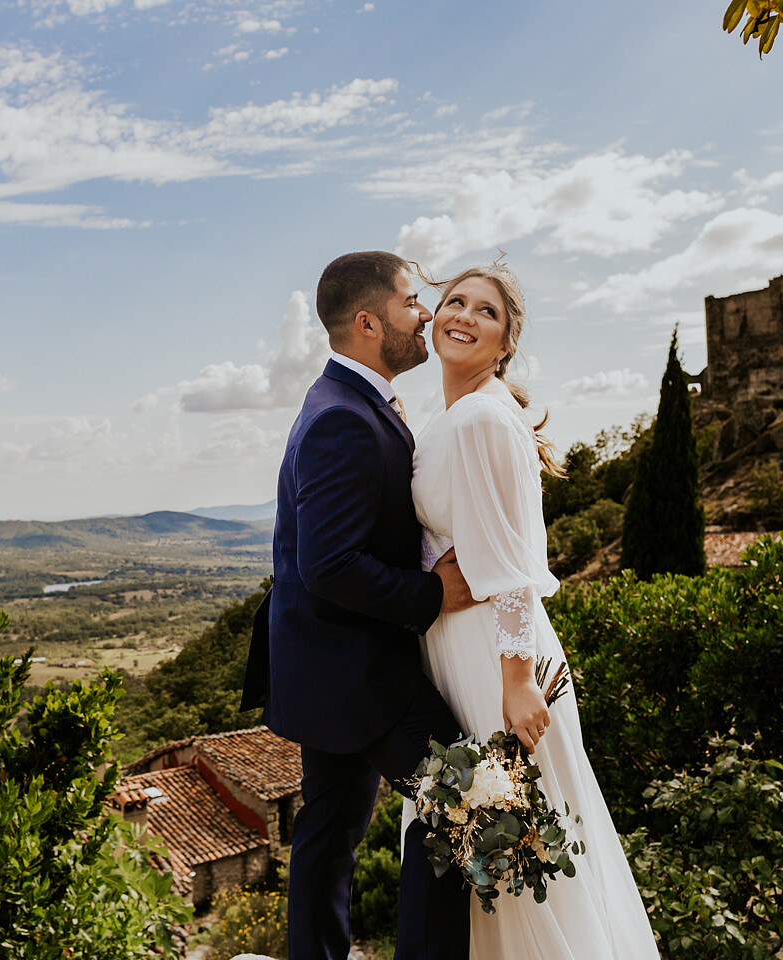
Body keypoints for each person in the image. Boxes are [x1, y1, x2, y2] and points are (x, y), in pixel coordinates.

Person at [407, 261, 660, 960]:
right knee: (489, 857)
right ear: (432, 318)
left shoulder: (485, 417)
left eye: (486, 311)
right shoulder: (451, 415)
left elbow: (514, 568)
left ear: (505, 343)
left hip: (498, 658)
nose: (462, 315)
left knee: (517, 860)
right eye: (453, 301)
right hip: (458, 649)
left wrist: (517, 682)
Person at [241, 251, 477, 960]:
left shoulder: (349, 401)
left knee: (331, 831)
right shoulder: (342, 417)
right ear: (371, 322)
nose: (429, 314)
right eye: (413, 302)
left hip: (327, 661)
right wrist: (433, 593)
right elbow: (332, 565)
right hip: (357, 668)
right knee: (463, 797)